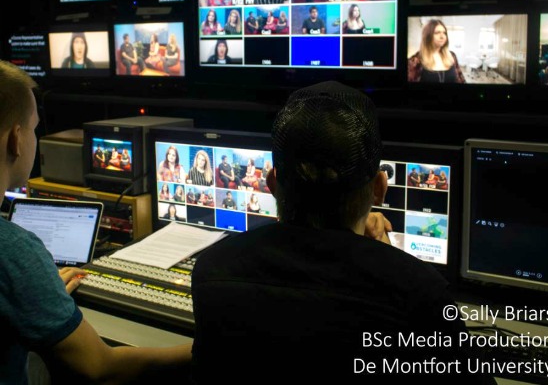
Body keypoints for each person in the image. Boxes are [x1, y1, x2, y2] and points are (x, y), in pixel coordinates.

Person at [191, 80, 493, 385]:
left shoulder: (212, 269)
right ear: (380, 188)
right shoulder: (420, 293)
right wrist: (391, 263)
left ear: (271, 183)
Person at [0, 60, 191, 384]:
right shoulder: (16, 252)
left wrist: (39, 292)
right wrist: (209, 347)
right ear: (16, 139)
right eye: (34, 128)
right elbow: (102, 367)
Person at [407, 19, 466, 83]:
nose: (442, 36)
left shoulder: (452, 55)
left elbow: (461, 80)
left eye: (444, 33)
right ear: (428, 36)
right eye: (437, 33)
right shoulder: (416, 60)